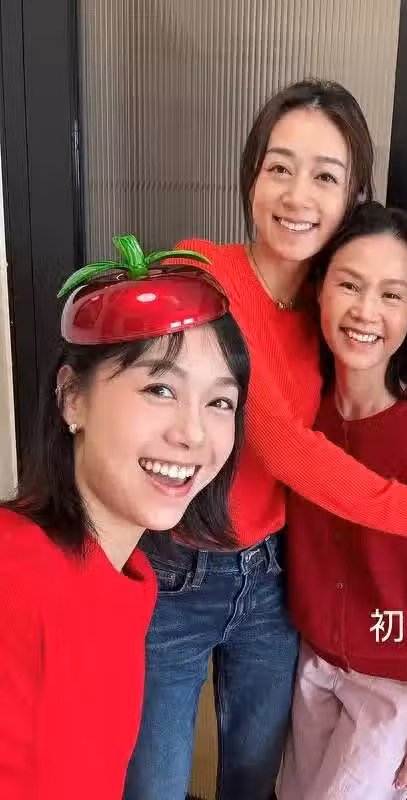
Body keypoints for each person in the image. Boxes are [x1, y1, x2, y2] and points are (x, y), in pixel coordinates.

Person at [124, 79, 407, 800]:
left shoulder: (328, 310)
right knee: (155, 783)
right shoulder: (204, 273)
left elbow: (389, 410)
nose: (298, 195)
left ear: (352, 195)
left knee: (253, 779)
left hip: (276, 581)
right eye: (279, 167)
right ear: (251, 177)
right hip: (183, 570)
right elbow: (284, 446)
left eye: (325, 176)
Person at [0, 235, 249, 799]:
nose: (193, 433)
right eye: (160, 388)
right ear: (73, 397)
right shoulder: (15, 580)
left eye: (220, 402)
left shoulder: (132, 578)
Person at [277, 202, 407, 800]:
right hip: (311, 663)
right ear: (318, 288)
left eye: (392, 294)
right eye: (349, 285)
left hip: (396, 687)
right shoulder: (296, 410)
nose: (366, 311)